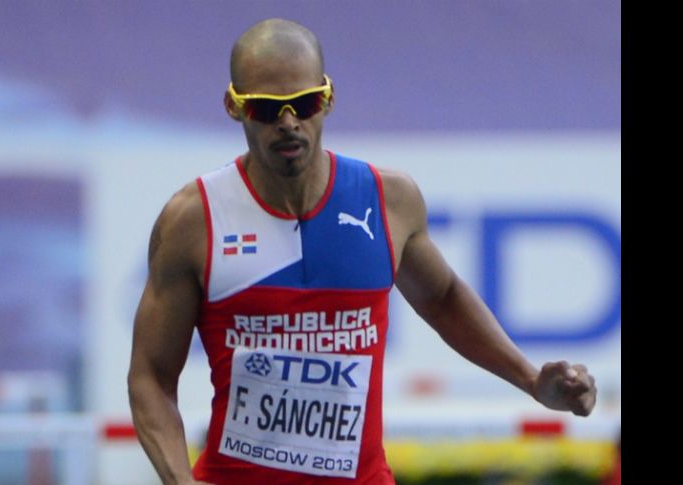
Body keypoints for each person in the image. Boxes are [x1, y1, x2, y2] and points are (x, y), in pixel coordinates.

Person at [127, 18, 597, 485]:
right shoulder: (193, 220)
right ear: (234, 106)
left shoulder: (388, 199)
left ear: (328, 98)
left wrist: (531, 381)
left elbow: (442, 298)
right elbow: (150, 375)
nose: (288, 123)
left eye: (304, 103)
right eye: (267, 109)